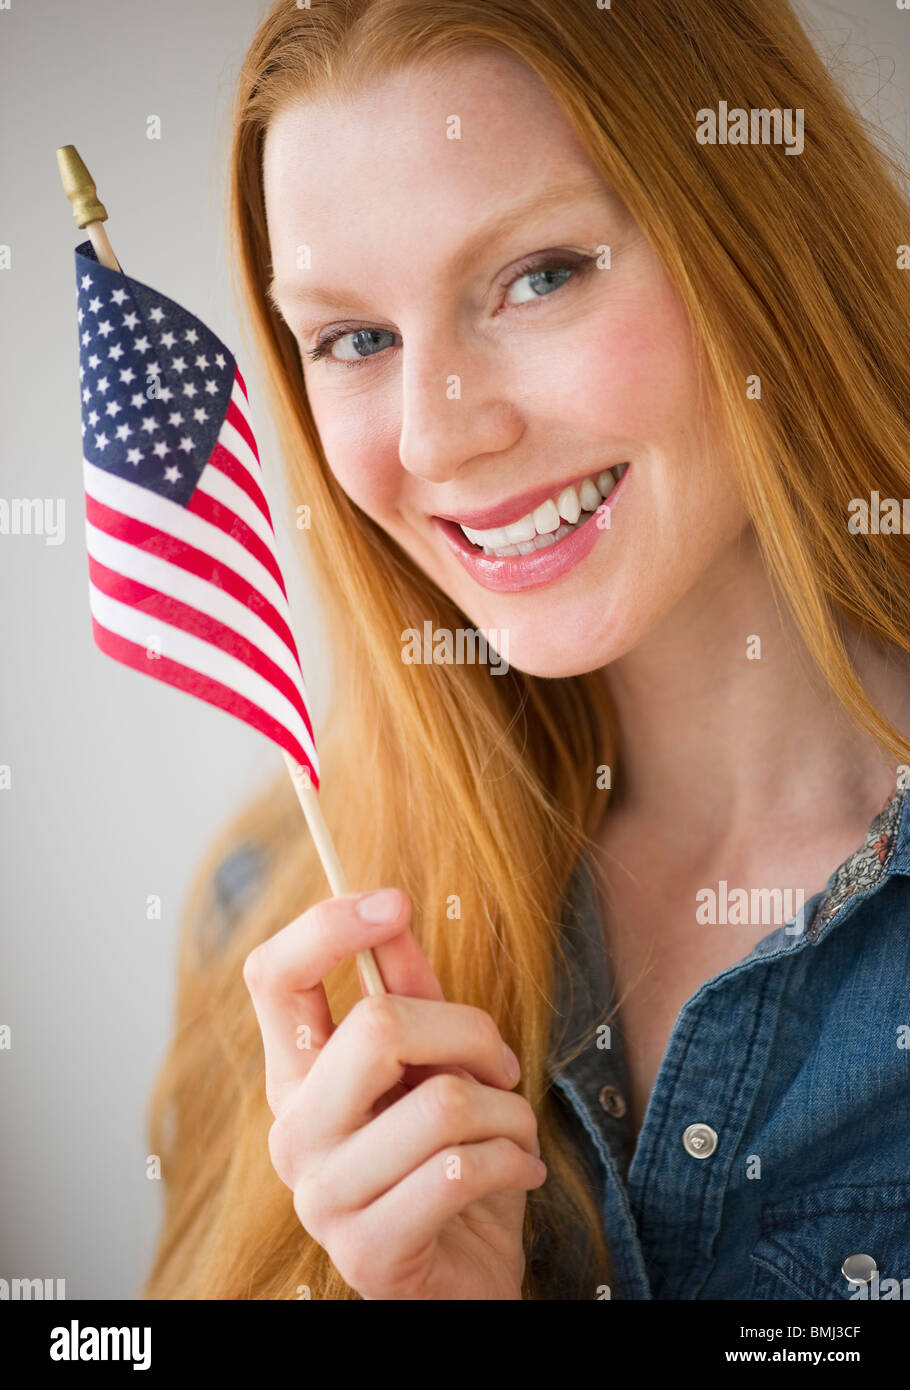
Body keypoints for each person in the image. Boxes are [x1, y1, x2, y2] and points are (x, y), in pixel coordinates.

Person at [142, 0, 910, 1300]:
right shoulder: (281, 923)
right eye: (355, 340)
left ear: (758, 245)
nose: (438, 440)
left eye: (538, 275)